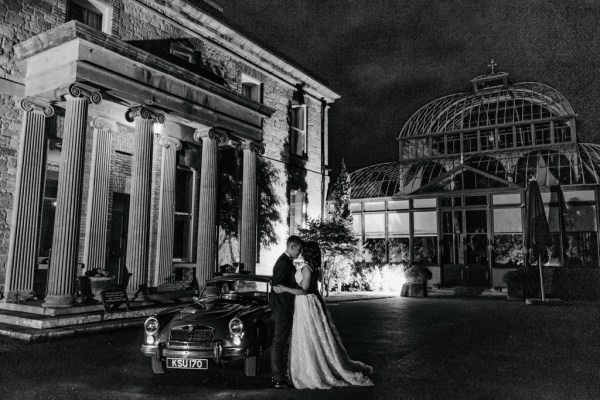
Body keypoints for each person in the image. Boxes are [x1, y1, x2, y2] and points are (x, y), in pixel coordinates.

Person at [273, 241, 374, 390]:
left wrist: (284, 289)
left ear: (307, 253)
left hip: (306, 303)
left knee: (309, 335)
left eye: (303, 250)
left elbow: (304, 290)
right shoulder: (310, 267)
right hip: (305, 303)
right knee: (310, 336)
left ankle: (313, 370)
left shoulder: (307, 268)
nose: (301, 252)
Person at [269, 235, 303, 389]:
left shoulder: (287, 262)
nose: (300, 252)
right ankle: (278, 378)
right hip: (282, 309)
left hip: (284, 308)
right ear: (292, 247)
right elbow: (277, 287)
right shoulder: (283, 263)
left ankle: (279, 376)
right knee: (279, 342)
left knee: (281, 342)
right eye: (298, 249)